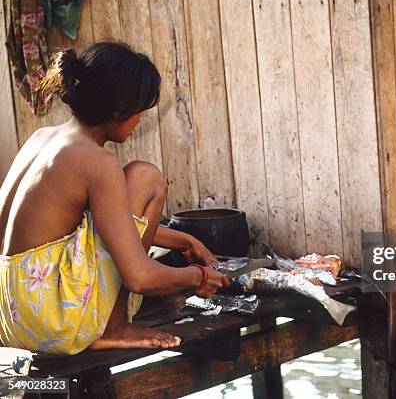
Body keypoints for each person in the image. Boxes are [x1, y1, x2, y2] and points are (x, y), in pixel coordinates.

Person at [0, 41, 230, 356]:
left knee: (137, 181)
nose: (139, 122)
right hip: (51, 321)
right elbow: (140, 277)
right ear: (119, 110)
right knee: (145, 177)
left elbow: (106, 227)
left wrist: (185, 241)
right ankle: (114, 325)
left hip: (10, 317)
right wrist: (199, 276)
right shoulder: (97, 161)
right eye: (139, 112)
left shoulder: (42, 138)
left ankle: (107, 323)